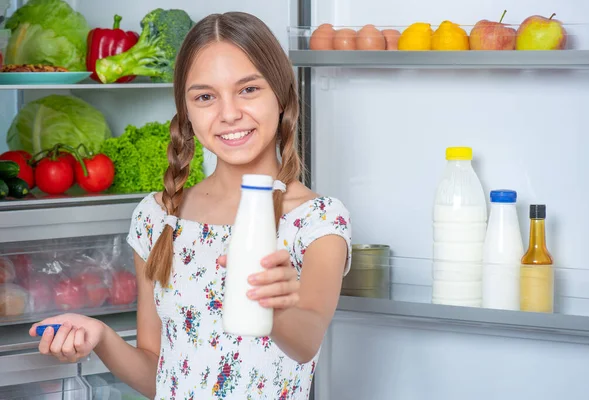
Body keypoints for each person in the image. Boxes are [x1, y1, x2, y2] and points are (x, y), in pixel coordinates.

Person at [29, 11, 352, 400]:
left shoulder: (318, 222)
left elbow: (306, 342)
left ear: (281, 94)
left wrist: (276, 305)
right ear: (186, 111)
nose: (229, 113)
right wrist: (101, 336)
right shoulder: (158, 218)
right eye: (205, 97)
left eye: (249, 89)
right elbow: (158, 374)